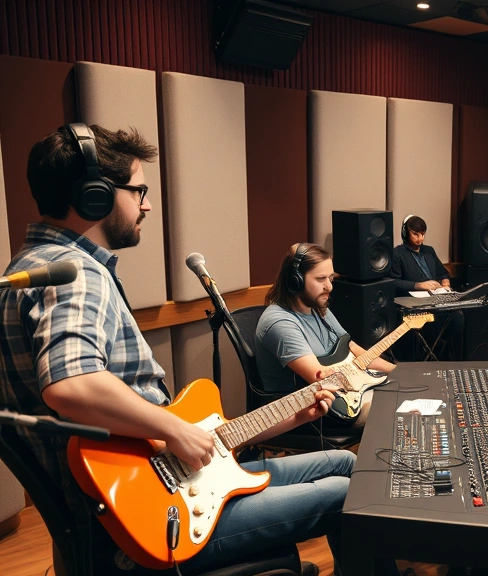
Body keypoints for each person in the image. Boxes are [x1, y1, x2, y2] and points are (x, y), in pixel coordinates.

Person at [0, 124, 355, 574]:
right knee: (351, 492)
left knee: (343, 460)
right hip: (147, 520)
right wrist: (175, 430)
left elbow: (170, 434)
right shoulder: (75, 275)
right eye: (138, 189)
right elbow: (71, 385)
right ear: (94, 195)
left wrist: (288, 416)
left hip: (148, 492)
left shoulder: (30, 268)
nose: (146, 203)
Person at [256, 242, 396, 429]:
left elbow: (353, 349)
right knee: (397, 409)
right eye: (321, 279)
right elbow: (322, 378)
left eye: (330, 278)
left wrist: (398, 371)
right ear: (295, 281)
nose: (329, 286)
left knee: (402, 391)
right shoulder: (280, 323)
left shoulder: (318, 308)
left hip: (346, 392)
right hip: (314, 413)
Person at [391, 215, 464, 361]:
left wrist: (445, 283)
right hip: (415, 305)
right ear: (405, 233)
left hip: (436, 300)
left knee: (457, 317)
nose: (420, 239)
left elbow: (443, 272)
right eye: (415, 234)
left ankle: (451, 360)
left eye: (423, 234)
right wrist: (419, 285)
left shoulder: (428, 251)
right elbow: (393, 282)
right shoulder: (398, 253)